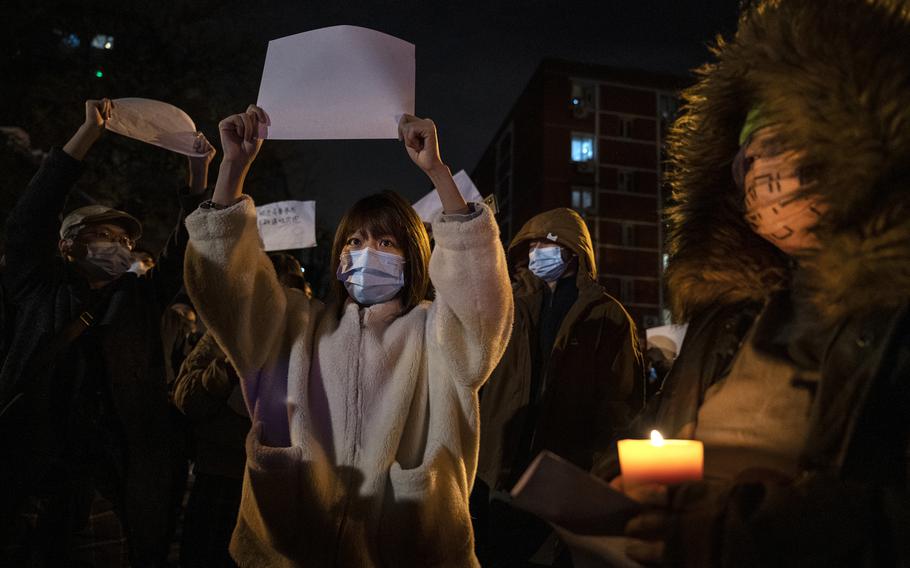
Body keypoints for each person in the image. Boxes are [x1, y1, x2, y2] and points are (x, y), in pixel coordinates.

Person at [587, 1, 910, 565]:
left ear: (865, 150)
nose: (769, 176)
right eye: (751, 160)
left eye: (790, 148)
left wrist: (742, 533)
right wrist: (617, 478)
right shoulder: (729, 315)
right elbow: (653, 432)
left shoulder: (895, 314)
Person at [182, 105, 513, 566]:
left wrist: (437, 172)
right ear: (338, 260)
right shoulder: (295, 323)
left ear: (412, 256)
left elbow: (481, 299)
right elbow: (226, 286)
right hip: (292, 548)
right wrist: (233, 168)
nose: (365, 253)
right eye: (354, 242)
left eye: (385, 243)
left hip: (407, 550)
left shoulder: (437, 333)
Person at [0, 99, 214, 566]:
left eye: (127, 241)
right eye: (105, 235)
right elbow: (29, 218)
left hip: (112, 486)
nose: (120, 247)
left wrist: (198, 176)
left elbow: (185, 251)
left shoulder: (137, 298)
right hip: (33, 481)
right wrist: (88, 133)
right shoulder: (38, 286)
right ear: (67, 244)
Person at [473, 208, 644, 566]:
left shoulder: (607, 316)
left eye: (547, 242)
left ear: (572, 249)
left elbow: (621, 405)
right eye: (532, 243)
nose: (538, 250)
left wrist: (599, 472)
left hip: (564, 476)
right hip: (499, 470)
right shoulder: (511, 310)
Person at [174, 252, 309, 568]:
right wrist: (228, 365)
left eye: (292, 292)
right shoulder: (225, 333)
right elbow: (186, 399)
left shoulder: (309, 343)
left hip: (276, 485)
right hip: (222, 478)